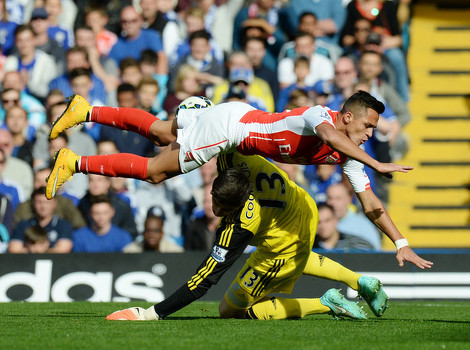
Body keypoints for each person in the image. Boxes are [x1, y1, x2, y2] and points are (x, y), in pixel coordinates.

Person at [46, 92, 433, 269]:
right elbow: (330, 137)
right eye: (368, 126)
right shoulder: (322, 117)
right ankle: (75, 163)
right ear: (349, 116)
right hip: (232, 129)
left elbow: (370, 204)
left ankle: (87, 109)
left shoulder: (347, 155)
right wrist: (378, 165)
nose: (370, 135)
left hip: (236, 116)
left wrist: (400, 242)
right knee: (156, 172)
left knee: (165, 131)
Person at [106, 152, 387, 321]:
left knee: (230, 310)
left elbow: (204, 280)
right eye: (213, 197)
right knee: (298, 256)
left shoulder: (241, 225)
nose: (213, 207)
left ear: (235, 206)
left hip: (283, 239)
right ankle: (359, 280)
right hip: (304, 205)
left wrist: (152, 313)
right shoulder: (235, 156)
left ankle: (325, 303)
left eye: (219, 206)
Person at [9, 187, 73, 253]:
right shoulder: (23, 225)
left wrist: (41, 252)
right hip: (26, 262)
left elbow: (64, 250)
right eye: (39, 202)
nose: (43, 206)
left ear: (54, 203)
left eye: (47, 202)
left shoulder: (64, 225)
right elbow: (14, 249)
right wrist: (32, 250)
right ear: (33, 203)